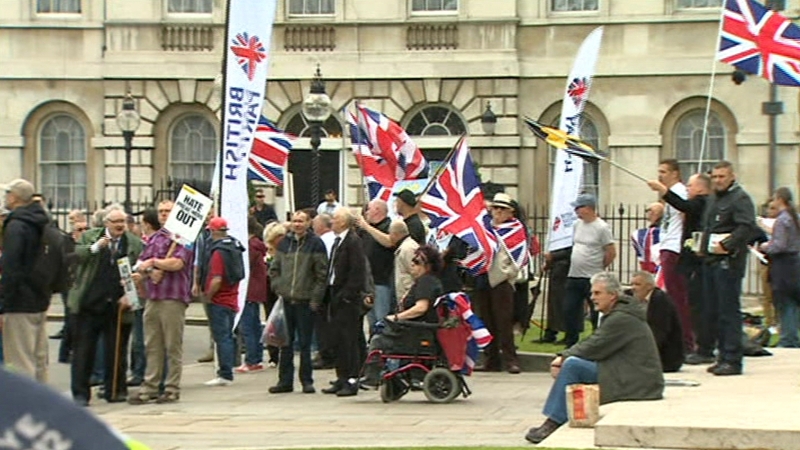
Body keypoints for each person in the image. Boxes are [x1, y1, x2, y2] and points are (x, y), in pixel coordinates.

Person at [525, 272, 664, 444]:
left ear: (612, 295)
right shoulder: (619, 313)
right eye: (592, 293)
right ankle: (557, 418)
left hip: (638, 380)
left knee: (573, 365)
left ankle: (553, 421)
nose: (592, 298)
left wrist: (563, 357)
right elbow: (595, 343)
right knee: (573, 363)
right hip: (631, 373)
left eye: (597, 293)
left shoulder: (621, 318)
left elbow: (594, 346)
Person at [68, 207, 144, 405]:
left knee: (116, 351)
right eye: (115, 221)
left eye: (123, 221)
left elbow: (139, 269)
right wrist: (95, 248)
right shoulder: (90, 237)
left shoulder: (133, 243)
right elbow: (76, 255)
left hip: (118, 305)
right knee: (84, 351)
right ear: (106, 223)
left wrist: (133, 290)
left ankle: (115, 391)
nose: (120, 225)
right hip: (89, 303)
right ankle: (80, 394)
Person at [129, 200, 195, 404]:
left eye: (168, 211)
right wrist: (148, 271)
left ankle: (172, 387)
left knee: (172, 345)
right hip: (154, 296)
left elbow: (177, 263)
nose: (164, 214)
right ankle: (150, 386)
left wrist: (155, 263)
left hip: (172, 297)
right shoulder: (155, 238)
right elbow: (141, 263)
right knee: (152, 345)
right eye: (161, 211)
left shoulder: (183, 237)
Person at [648, 172, 713, 365]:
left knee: (691, 303)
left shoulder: (702, 202)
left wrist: (663, 190)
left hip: (695, 260)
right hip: (689, 257)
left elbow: (684, 205)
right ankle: (698, 343)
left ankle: (694, 343)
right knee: (691, 301)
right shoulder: (699, 203)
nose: (687, 189)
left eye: (691, 186)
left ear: (701, 188)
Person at [700, 161, 757, 376]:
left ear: (732, 176)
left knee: (728, 312)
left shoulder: (740, 198)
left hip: (729, 262)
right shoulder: (714, 198)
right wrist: (702, 247)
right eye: (714, 177)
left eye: (722, 177)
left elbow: (746, 227)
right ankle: (722, 355)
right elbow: (708, 226)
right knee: (714, 311)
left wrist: (728, 244)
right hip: (711, 260)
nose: (717, 181)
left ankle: (733, 358)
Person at [361, 245, 444, 387]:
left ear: (428, 266)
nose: (413, 264)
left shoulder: (427, 282)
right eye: (413, 260)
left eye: (417, 262)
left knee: (378, 340)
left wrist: (397, 317)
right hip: (416, 330)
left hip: (417, 332)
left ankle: (372, 377)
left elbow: (421, 308)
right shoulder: (425, 281)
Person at [268, 210, 328, 394]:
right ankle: (285, 381)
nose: (297, 224)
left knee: (304, 343)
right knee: (285, 342)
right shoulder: (284, 243)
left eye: (301, 221)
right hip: (286, 299)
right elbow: (274, 268)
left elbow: (321, 274)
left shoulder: (316, 244)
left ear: (309, 223)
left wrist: (315, 298)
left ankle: (306, 380)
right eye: (294, 221)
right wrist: (279, 287)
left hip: (305, 300)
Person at [0, 179, 51, 382]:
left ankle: (27, 410)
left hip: (19, 301)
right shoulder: (43, 223)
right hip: (40, 296)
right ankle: (43, 408)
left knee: (20, 361)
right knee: (39, 359)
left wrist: (3, 303)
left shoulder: (16, 226)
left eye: (7, 194)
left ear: (14, 197)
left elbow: (11, 267)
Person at [474, 193, 526, 374]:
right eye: (495, 208)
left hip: (501, 280)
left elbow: (519, 257)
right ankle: (491, 360)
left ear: (510, 212)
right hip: (483, 276)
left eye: (502, 209)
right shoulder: (485, 227)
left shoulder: (515, 228)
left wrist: (507, 274)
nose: (497, 212)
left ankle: (511, 359)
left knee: (504, 321)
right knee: (486, 320)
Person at [321, 208, 367, 397]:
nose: (332, 221)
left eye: (335, 219)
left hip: (347, 298)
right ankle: (341, 377)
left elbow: (357, 271)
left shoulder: (353, 242)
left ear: (344, 222)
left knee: (349, 340)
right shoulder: (338, 241)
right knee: (337, 339)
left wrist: (347, 294)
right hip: (334, 293)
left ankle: (351, 379)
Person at [563, 193, 615, 347]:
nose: (576, 211)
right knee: (569, 309)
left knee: (596, 311)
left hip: (592, 276)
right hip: (574, 274)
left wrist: (600, 266)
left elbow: (611, 251)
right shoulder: (577, 225)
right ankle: (571, 342)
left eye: (579, 208)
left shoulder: (602, 227)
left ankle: (597, 341)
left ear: (589, 208)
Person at [653, 159, 693, 353]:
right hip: (667, 245)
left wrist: (662, 190)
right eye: (659, 172)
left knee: (678, 297)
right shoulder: (670, 194)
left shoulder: (678, 191)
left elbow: (683, 210)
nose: (661, 175)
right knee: (673, 295)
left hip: (674, 248)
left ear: (675, 173)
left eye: (664, 172)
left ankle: (687, 340)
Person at [199, 217, 245, 387]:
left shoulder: (218, 251)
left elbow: (217, 278)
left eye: (210, 231)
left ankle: (225, 374)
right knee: (228, 335)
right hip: (232, 297)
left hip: (219, 299)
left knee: (222, 337)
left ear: (214, 231)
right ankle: (229, 368)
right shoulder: (234, 246)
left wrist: (208, 296)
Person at [759, 187, 800, 348]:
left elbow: (779, 245)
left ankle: (788, 338)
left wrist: (765, 246)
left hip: (784, 265)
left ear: (779, 200)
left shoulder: (782, 220)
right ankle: (793, 336)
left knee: (785, 302)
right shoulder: (795, 217)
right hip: (795, 262)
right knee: (794, 302)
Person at [627, 271, 684, 372]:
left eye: (637, 284)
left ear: (649, 286)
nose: (633, 288)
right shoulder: (630, 297)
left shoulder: (660, 300)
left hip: (665, 358)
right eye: (631, 284)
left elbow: (659, 333)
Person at [128, 208, 160, 386]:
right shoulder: (149, 241)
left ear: (146, 224)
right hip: (144, 293)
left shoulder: (147, 243)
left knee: (142, 337)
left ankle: (140, 372)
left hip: (147, 295)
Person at [236, 216, 268, 373]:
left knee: (247, 326)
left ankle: (251, 359)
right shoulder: (257, 245)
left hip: (249, 290)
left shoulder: (250, 247)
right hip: (256, 289)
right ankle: (257, 357)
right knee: (255, 325)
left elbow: (242, 266)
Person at [358, 200, 395, 331]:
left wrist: (367, 227)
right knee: (371, 320)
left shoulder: (389, 225)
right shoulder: (365, 229)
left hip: (382, 281)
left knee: (382, 319)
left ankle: (383, 348)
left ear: (377, 210)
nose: (366, 213)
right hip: (367, 282)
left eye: (369, 209)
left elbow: (389, 242)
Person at [391, 220, 419, 306]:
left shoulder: (408, 249)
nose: (390, 237)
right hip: (406, 295)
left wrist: (409, 295)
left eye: (390, 234)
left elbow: (416, 273)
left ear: (396, 234)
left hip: (410, 296)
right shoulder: (406, 247)